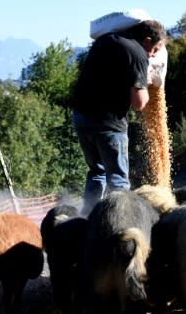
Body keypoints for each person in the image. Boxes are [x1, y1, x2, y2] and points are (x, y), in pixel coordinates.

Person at [71, 20, 167, 216]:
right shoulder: (138, 54)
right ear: (147, 41)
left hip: (81, 118)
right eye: (155, 49)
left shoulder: (106, 40)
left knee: (97, 173)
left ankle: (88, 217)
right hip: (109, 124)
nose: (153, 55)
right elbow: (139, 103)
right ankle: (118, 223)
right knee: (118, 181)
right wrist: (146, 81)